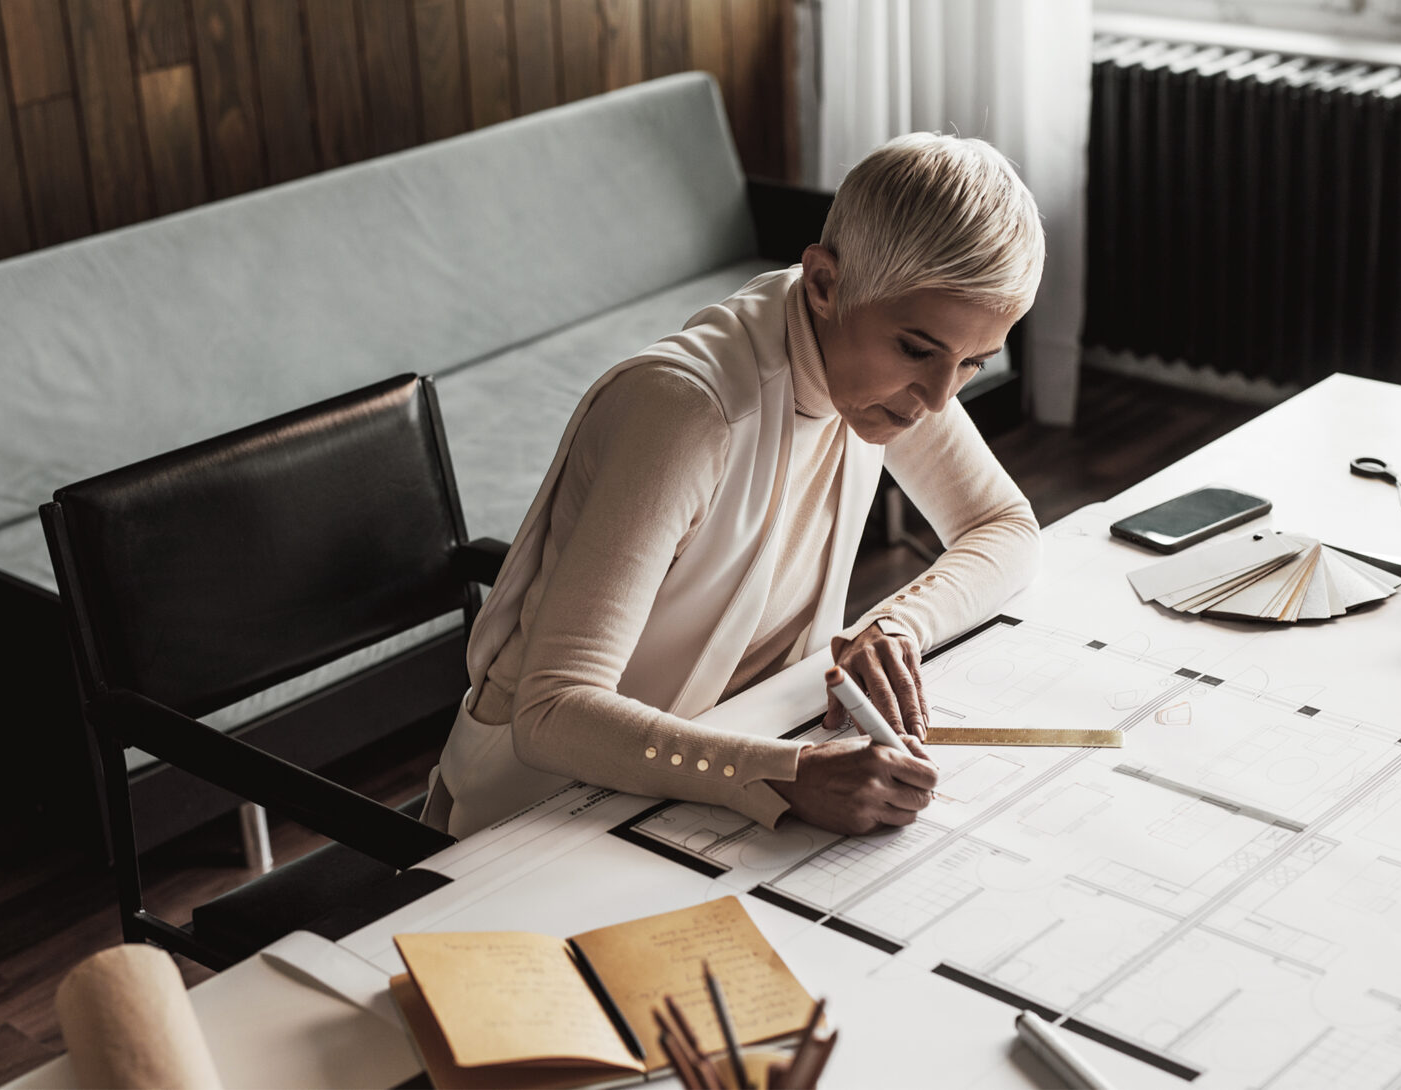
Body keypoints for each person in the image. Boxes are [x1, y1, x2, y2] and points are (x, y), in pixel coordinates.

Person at [423, 133, 1044, 839]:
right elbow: (552, 713)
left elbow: (1004, 526)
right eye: (919, 351)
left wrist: (896, 624)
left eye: (972, 364)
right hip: (543, 811)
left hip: (712, 770)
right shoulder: (687, 412)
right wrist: (778, 774)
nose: (937, 399)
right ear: (823, 283)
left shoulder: (885, 361)